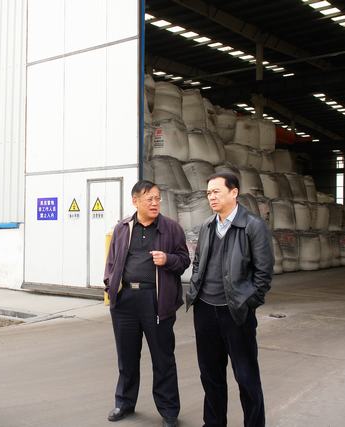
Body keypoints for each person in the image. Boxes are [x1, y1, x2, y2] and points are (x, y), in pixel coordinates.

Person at [186, 172, 274, 427]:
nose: (211, 197)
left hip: (236, 313)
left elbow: (264, 272)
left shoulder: (253, 226)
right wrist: (196, 291)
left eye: (216, 191)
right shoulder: (207, 226)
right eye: (208, 193)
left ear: (234, 192)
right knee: (210, 375)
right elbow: (198, 262)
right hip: (205, 311)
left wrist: (248, 302)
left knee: (246, 377)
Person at [103, 180, 191, 427]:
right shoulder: (122, 228)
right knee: (127, 357)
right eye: (149, 198)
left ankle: (169, 411)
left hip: (156, 301)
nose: (155, 203)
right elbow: (111, 261)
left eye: (157, 198)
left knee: (163, 359)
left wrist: (168, 259)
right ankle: (124, 402)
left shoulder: (171, 229)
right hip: (125, 302)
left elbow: (184, 260)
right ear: (135, 201)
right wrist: (110, 284)